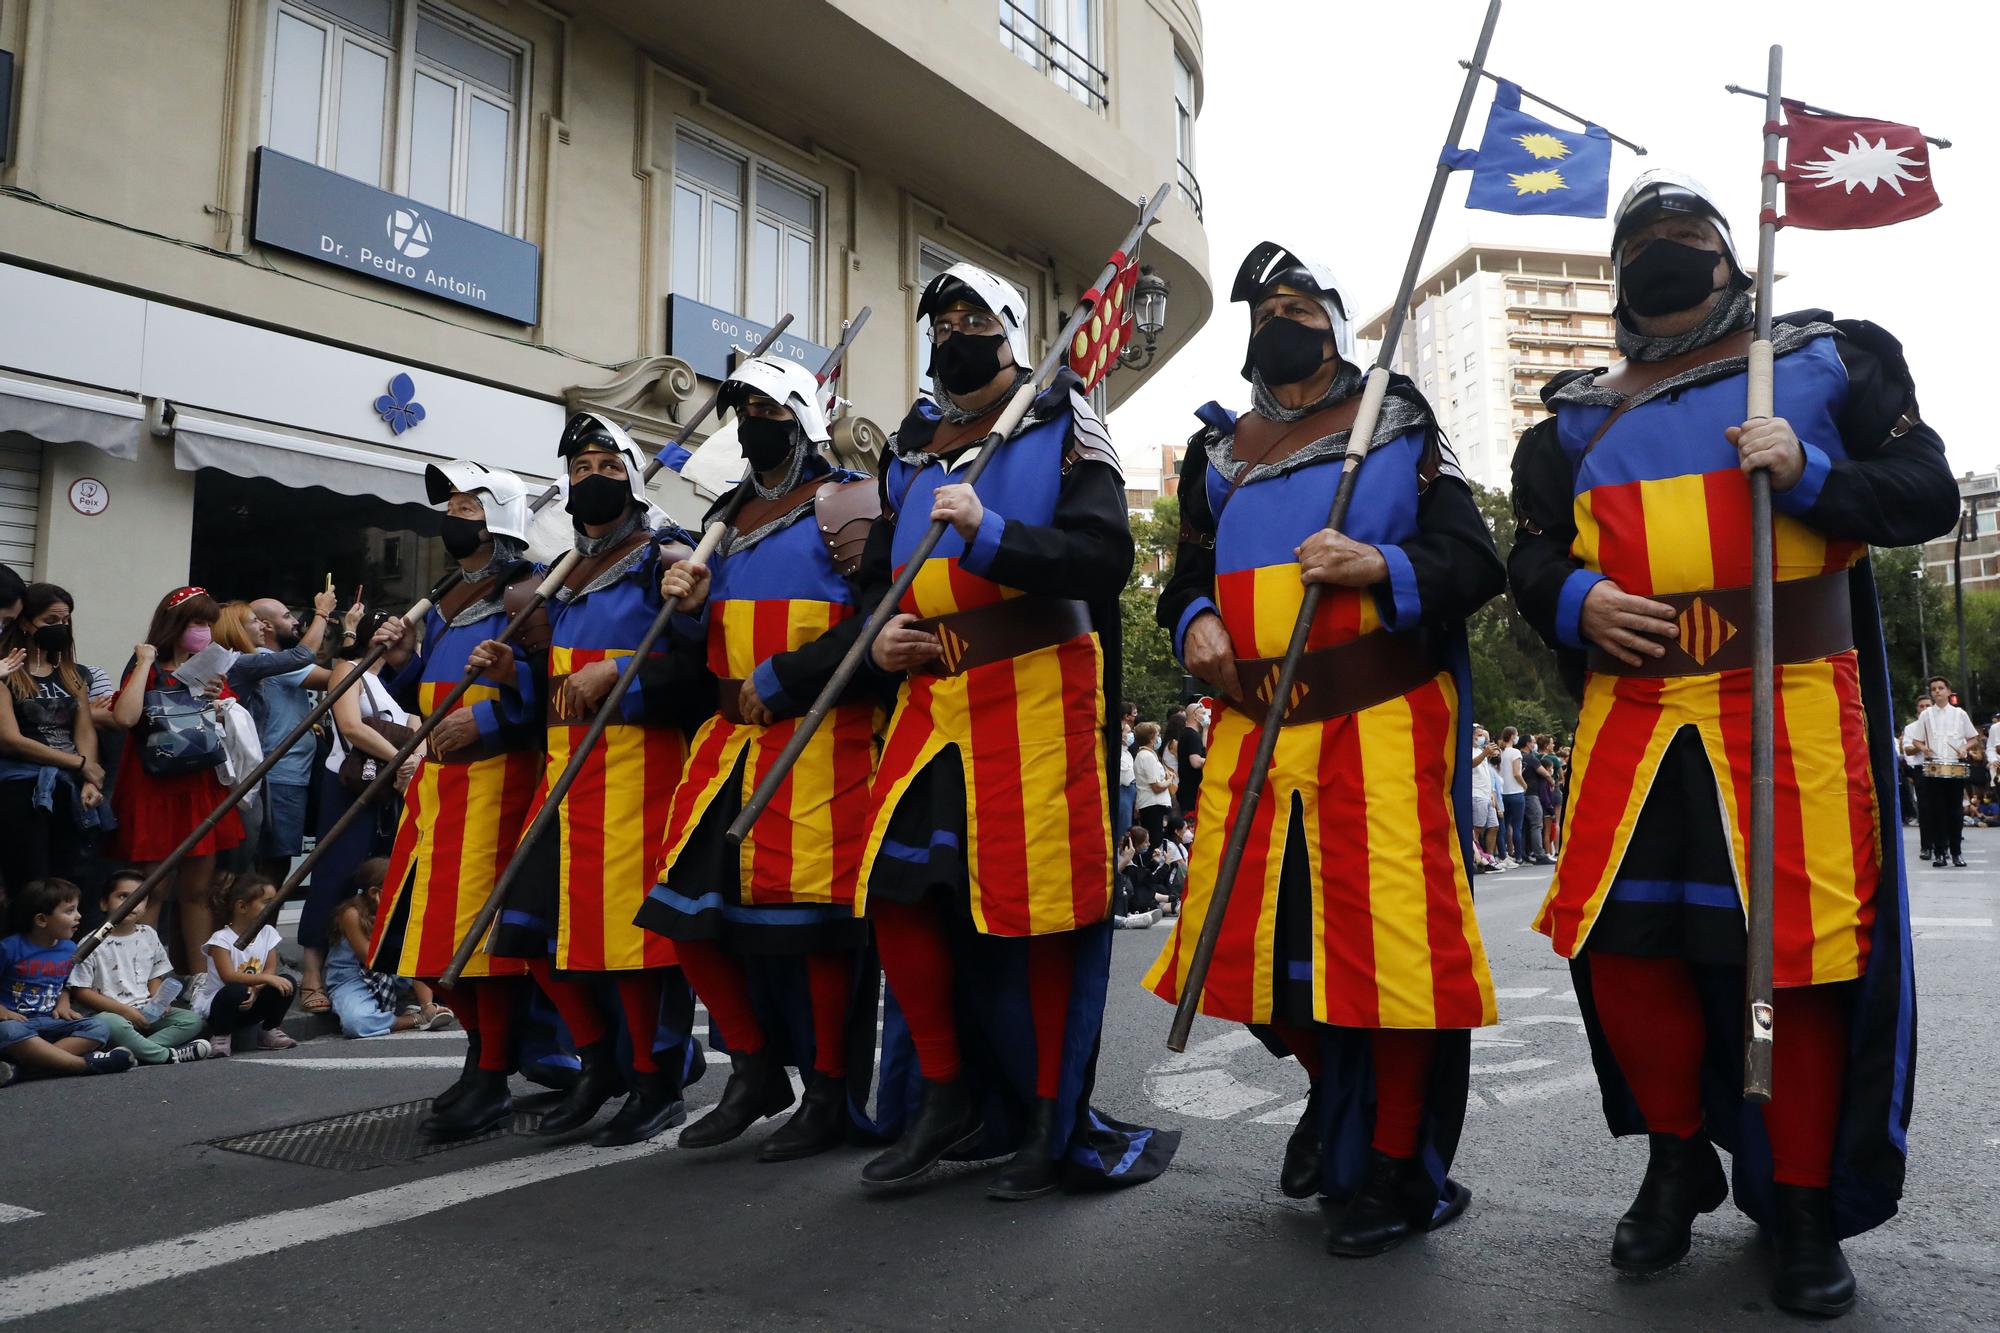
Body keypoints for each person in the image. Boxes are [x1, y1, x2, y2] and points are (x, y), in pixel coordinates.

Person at [1507, 170, 1956, 1315]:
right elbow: (1529, 557)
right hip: (1635, 712)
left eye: (1684, 234)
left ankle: (1800, 1201)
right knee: (1620, 944)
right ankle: (1673, 1158)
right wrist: (1572, 600)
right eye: (1640, 241)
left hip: (1788, 695)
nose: (1660, 252)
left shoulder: (1823, 359)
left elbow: (1921, 493)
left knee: (1796, 960)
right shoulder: (1567, 419)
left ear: (1729, 255)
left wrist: (1808, 472)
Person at [1148, 239, 1502, 1256]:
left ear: (1337, 321)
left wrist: (1377, 561)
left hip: (1377, 729)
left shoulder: (1397, 425)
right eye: (1262, 307)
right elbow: (1186, 580)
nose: (1278, 318)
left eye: (1298, 302)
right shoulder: (1217, 454)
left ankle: (1395, 1170)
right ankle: (1333, 1098)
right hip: (1253, 737)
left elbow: (1470, 561)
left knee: (1393, 964)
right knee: (1242, 951)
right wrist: (1190, 625)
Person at [852, 259, 1176, 1197]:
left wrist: (990, 531)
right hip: (929, 701)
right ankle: (947, 1094)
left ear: (1004, 329)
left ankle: (1048, 1115)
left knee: (1040, 917)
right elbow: (877, 571)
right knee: (899, 890)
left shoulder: (1066, 418)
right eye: (939, 318)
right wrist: (881, 635)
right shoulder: (912, 445)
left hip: (1036, 690)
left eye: (968, 315)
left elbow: (1104, 556)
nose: (953, 331)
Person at [637, 354, 880, 1160]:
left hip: (821, 737)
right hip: (727, 742)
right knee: (682, 913)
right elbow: (693, 647)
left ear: (803, 417)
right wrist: (686, 614)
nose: (751, 417)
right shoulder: (723, 516)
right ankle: (752, 1068)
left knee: (812, 927)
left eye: (769, 405)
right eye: (740, 404)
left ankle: (831, 1093)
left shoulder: (846, 502)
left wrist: (787, 677)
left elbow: (878, 620)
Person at [484, 411, 706, 1148]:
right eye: (580, 468)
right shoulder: (563, 576)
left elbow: (697, 671)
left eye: (609, 467)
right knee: (525, 932)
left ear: (635, 479)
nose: (593, 479)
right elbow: (553, 691)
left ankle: (656, 1079)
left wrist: (621, 681)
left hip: (641, 775)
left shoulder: (663, 559)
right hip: (563, 781)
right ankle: (599, 1061)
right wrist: (516, 676)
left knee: (635, 949)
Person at [368, 460, 546, 1139]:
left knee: (480, 941)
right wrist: (402, 656)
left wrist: (494, 717)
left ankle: (491, 1071)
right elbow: (428, 682)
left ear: (499, 516)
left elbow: (545, 686)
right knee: (424, 936)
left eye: (470, 505)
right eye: (453, 504)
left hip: (498, 779)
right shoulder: (446, 590)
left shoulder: (526, 591)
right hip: (439, 781)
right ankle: (484, 1058)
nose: (455, 515)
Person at [110, 587, 246, 973]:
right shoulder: (146, 666)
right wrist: (143, 662)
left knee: (199, 892)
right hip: (153, 786)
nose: (204, 632)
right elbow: (124, 717)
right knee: (151, 890)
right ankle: (143, 979)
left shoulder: (212, 670)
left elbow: (232, 727)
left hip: (200, 786)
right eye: (197, 623)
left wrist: (222, 701)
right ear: (175, 624)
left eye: (208, 624)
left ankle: (200, 979)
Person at [296, 604, 409, 1015]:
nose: (393, 641)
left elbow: (421, 730)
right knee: (333, 874)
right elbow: (350, 726)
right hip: (345, 787)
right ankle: (312, 972)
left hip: (381, 791)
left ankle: (373, 967)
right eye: (385, 632)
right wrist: (403, 757)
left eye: (400, 636)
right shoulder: (347, 668)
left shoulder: (390, 690)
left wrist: (410, 756)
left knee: (379, 875)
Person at [0, 584, 109, 894]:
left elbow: (84, 728)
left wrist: (90, 779)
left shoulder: (72, 673)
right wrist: (80, 763)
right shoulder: (7, 672)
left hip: (70, 787)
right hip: (21, 789)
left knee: (70, 878)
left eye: (65, 621)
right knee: (31, 882)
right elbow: (9, 739)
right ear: (24, 622)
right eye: (51, 621)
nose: (60, 628)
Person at [66, 870, 212, 1064]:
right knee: (108, 1022)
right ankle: (166, 1056)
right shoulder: (91, 942)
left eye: (139, 899)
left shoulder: (148, 934)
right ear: (104, 903)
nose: (131, 903)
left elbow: (155, 976)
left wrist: (159, 1000)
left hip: (146, 1010)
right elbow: (81, 991)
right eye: (123, 896)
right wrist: (125, 1012)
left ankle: (136, 1051)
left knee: (192, 1020)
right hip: (113, 1015)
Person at [243, 592, 340, 880]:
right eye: (287, 616)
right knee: (271, 867)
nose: (295, 622)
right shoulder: (266, 658)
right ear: (266, 626)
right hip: (279, 776)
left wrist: (349, 633)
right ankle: (260, 925)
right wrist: (321, 614)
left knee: (278, 863)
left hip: (292, 775)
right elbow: (335, 677)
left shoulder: (277, 661)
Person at [1, 878, 135, 1078]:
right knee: (8, 1030)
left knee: (98, 1027)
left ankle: (24, 1069)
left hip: (51, 1021)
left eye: (77, 909)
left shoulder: (70, 949)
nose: (78, 916)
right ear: (41, 920)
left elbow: (65, 984)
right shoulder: (9, 948)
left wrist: (63, 1003)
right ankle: (83, 1065)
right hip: (18, 1024)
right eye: (69, 911)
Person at [328, 857, 451, 1039]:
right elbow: (370, 958)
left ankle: (424, 1007)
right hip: (355, 977)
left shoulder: (403, 911)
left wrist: (428, 1005)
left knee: (434, 965)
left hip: (394, 973)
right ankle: (412, 1019)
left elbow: (415, 958)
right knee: (357, 1022)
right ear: (374, 892)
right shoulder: (351, 913)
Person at [191, 874, 297, 1052]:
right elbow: (229, 976)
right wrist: (264, 980)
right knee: (236, 989)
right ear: (242, 906)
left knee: (287, 982)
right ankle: (221, 1035)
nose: (273, 906)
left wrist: (256, 990)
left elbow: (270, 967)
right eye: (267, 902)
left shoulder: (267, 932)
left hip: (250, 1002)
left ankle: (269, 1030)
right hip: (223, 1006)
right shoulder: (221, 939)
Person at [1906, 675, 1979, 868]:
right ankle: (1939, 853)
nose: (1937, 691)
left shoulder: (1960, 714)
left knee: (1955, 812)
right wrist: (1924, 749)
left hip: (1954, 767)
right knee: (1937, 812)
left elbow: (1973, 737)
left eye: (1940, 688)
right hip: (1934, 768)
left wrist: (1964, 748)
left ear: (1948, 691)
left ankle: (1956, 853)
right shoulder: (1926, 715)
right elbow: (1916, 740)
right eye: (1934, 689)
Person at [1900, 696, 1930, 857]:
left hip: (1941, 767)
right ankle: (1926, 846)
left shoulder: (1940, 726)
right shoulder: (1911, 728)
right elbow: (1908, 750)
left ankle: (1944, 843)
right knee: (1924, 809)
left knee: (1941, 807)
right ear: (1917, 709)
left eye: (1927, 705)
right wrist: (1922, 746)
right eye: (1921, 706)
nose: (1924, 708)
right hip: (1921, 768)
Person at [1132, 721, 1172, 844]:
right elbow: (1156, 786)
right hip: (1152, 805)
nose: (1158, 738)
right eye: (1157, 735)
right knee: (1154, 841)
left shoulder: (1147, 755)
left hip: (1151, 804)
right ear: (1151, 738)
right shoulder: (1147, 756)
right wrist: (1169, 781)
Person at [1467, 725, 1500, 871]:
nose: (1482, 738)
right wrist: (1485, 753)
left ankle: (1490, 857)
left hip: (1487, 795)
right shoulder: (1468, 750)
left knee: (1494, 826)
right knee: (1477, 828)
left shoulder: (1481, 750)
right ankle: (1476, 858)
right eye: (1479, 735)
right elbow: (1470, 764)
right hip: (1476, 794)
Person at [1496, 726, 1527, 863]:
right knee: (1517, 826)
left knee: (1504, 825)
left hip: (1503, 793)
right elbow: (1516, 773)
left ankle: (1504, 854)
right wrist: (1524, 784)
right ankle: (1519, 855)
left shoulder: (1500, 752)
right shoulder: (1515, 752)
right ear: (1513, 736)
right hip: (1516, 792)